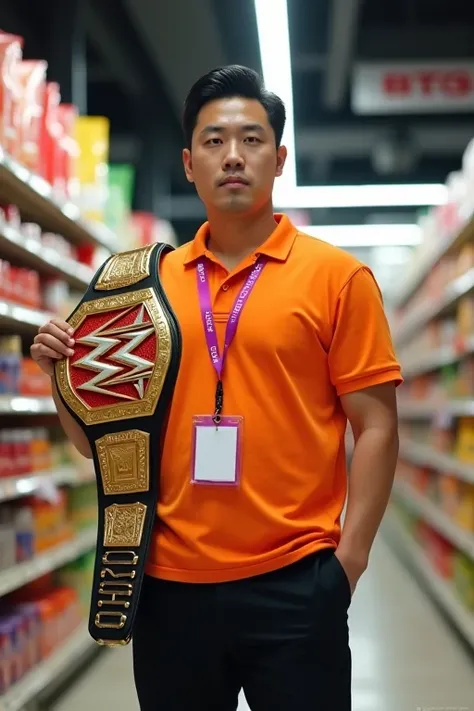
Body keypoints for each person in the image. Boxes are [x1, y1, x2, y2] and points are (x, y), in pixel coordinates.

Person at [31, 65, 402, 710]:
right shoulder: (137, 287)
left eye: (252, 139)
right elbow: (102, 447)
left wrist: (348, 565)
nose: (233, 156)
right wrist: (66, 380)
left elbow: (377, 426)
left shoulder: (338, 279)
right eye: (213, 140)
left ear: (280, 158)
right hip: (168, 587)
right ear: (187, 162)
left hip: (296, 584)